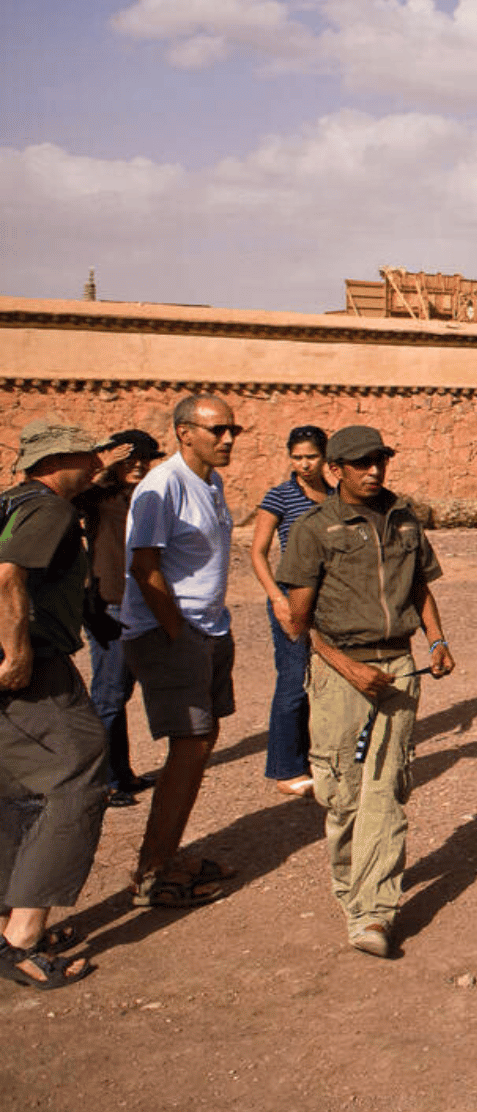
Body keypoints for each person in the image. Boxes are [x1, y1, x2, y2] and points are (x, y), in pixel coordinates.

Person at [278, 425, 455, 959]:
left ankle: (373, 912)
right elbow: (297, 624)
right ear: (336, 470)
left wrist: (437, 639)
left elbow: (420, 584)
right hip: (339, 674)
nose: (374, 471)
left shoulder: (404, 517)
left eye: (379, 460)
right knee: (343, 794)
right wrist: (347, 669)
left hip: (399, 668)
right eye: (361, 463)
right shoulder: (315, 529)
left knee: (386, 791)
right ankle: (352, 886)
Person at [2, 422, 123, 988]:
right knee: (80, 773)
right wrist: (17, 650)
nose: (95, 464)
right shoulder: (48, 511)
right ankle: (22, 940)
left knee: (19, 788)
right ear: (56, 461)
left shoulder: (12, 502)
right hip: (34, 668)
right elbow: (7, 578)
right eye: (86, 456)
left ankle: (7, 918)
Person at [119, 393, 241, 908]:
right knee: (188, 745)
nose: (228, 439)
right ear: (184, 432)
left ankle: (166, 853)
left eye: (233, 429)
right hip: (174, 634)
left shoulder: (209, 483)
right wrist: (178, 632)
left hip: (207, 629)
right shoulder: (161, 485)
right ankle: (153, 871)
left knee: (201, 745)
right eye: (217, 430)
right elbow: (144, 567)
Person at [74, 428, 164, 807]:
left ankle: (121, 771)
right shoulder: (98, 497)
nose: (139, 465)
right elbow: (69, 495)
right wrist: (101, 460)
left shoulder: (147, 498)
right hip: (109, 603)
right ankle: (104, 782)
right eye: (131, 458)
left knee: (120, 692)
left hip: (138, 604)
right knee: (109, 695)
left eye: (144, 458)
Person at [249, 425, 329, 799]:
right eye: (297, 457)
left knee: (322, 680)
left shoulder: (333, 497)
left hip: (327, 599)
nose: (304, 464)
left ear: (324, 456)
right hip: (290, 596)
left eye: (310, 456)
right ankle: (285, 768)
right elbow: (258, 551)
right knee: (293, 680)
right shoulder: (280, 496)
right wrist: (276, 598)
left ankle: (314, 757)